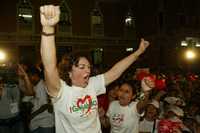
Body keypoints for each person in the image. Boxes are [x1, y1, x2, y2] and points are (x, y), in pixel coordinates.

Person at [40, 5, 150, 133]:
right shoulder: (61, 91)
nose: (88, 70)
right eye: (82, 67)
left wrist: (138, 52)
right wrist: (48, 28)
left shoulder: (92, 84)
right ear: (69, 72)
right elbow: (49, 66)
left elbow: (115, 71)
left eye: (88, 67)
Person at [18, 64, 55, 133]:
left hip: (45, 122)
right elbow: (26, 96)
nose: (28, 79)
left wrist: (32, 115)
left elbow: (45, 105)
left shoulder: (42, 86)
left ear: (34, 75)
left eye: (29, 76)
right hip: (35, 123)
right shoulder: (34, 86)